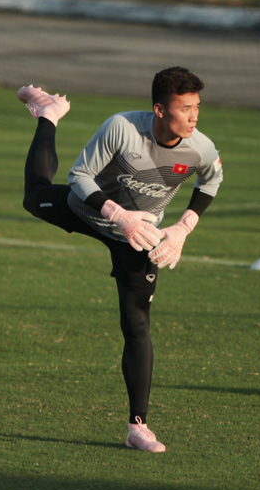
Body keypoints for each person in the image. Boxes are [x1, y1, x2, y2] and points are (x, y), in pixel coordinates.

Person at [17, 67, 223, 453]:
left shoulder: (202, 147)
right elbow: (80, 176)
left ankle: (137, 428)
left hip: (139, 237)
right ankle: (47, 114)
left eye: (197, 107)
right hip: (88, 210)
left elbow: (210, 180)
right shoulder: (122, 128)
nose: (194, 116)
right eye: (185, 108)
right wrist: (120, 216)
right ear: (160, 110)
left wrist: (182, 229)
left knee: (137, 324)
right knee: (34, 197)